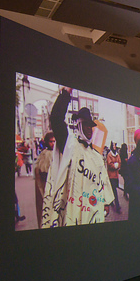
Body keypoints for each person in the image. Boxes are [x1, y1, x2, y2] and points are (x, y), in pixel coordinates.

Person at [41, 88, 114, 228]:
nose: (89, 129)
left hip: (92, 210)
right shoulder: (70, 146)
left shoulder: (96, 156)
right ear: (79, 125)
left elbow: (103, 179)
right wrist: (65, 94)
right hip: (74, 209)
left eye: (91, 126)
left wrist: (106, 202)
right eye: (86, 125)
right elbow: (56, 119)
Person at [33, 131, 55, 227]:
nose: (53, 144)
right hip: (46, 188)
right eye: (51, 141)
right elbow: (40, 171)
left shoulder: (58, 153)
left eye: (54, 141)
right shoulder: (44, 154)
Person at [105, 142, 122, 213]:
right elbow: (109, 164)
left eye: (115, 146)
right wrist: (115, 165)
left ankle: (111, 202)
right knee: (115, 191)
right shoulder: (109, 155)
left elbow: (120, 162)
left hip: (116, 175)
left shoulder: (117, 155)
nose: (114, 148)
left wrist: (117, 165)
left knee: (113, 190)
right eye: (113, 146)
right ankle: (117, 206)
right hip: (111, 176)